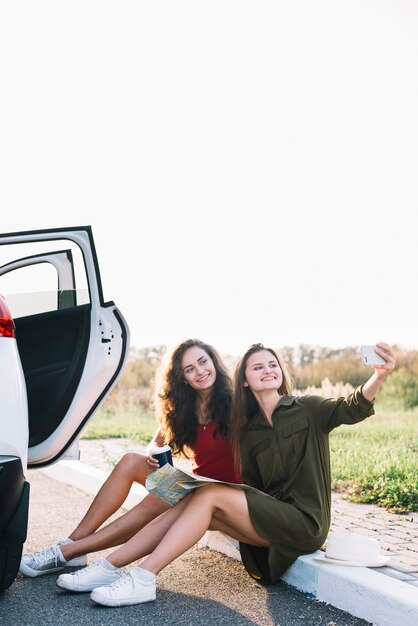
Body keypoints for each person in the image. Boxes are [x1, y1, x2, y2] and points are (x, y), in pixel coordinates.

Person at [56, 340, 395, 607]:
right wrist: (163, 463)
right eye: (257, 367)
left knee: (201, 495)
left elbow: (353, 406)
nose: (267, 371)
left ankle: (140, 576)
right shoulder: (246, 429)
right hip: (263, 516)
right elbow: (246, 479)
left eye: (272, 365)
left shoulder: (307, 408)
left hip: (304, 522)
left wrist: (377, 376)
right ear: (244, 381)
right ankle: (108, 567)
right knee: (182, 502)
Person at [19, 338, 241, 583]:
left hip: (222, 495)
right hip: (194, 485)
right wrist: (155, 456)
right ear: (182, 378)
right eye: (190, 369)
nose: (199, 371)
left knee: (162, 494)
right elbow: (155, 443)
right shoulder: (183, 407)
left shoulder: (237, 403)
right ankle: (74, 542)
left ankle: (67, 552)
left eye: (202, 362)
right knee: (131, 461)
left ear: (214, 363)